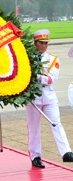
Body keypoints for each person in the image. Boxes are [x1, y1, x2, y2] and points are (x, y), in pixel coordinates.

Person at [27, 29, 73, 168]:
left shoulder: (53, 59)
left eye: (46, 43)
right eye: (41, 43)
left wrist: (36, 77)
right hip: (33, 98)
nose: (44, 46)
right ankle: (35, 156)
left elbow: (52, 78)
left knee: (56, 123)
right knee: (34, 128)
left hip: (49, 96)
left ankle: (66, 152)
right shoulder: (27, 59)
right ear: (35, 43)